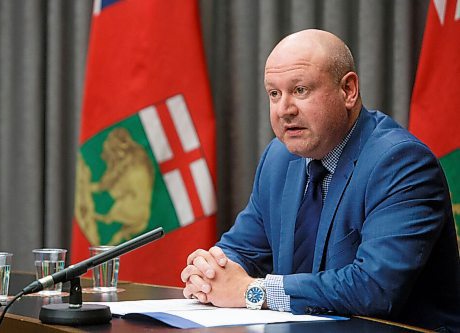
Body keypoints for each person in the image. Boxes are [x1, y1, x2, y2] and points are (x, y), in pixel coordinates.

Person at [180, 29, 460, 332]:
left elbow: (374, 289)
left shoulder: (402, 163)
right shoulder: (279, 157)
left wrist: (252, 292)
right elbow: (242, 249)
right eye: (274, 94)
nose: (284, 109)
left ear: (348, 90)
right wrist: (211, 272)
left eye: (300, 90)